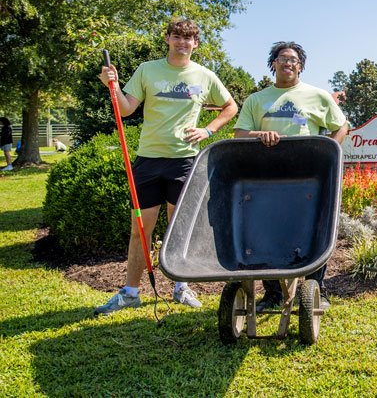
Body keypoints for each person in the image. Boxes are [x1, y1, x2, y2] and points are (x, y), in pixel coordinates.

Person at [95, 18, 237, 315]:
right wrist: (114, 85)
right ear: (167, 39)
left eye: (188, 39)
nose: (182, 43)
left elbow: (231, 106)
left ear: (195, 44)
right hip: (148, 159)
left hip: (184, 161)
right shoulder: (148, 70)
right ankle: (130, 292)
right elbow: (125, 108)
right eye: (176, 37)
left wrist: (208, 130)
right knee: (140, 230)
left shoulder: (204, 75)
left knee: (178, 230)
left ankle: (181, 287)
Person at [234, 41, 348, 311]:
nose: (288, 63)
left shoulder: (317, 96)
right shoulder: (256, 99)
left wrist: (328, 152)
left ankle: (317, 289)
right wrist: (260, 134)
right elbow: (239, 134)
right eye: (282, 58)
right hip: (267, 179)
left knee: (315, 230)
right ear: (273, 63)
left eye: (294, 60)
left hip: (308, 176)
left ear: (301, 66)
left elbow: (341, 125)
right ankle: (272, 293)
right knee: (266, 232)